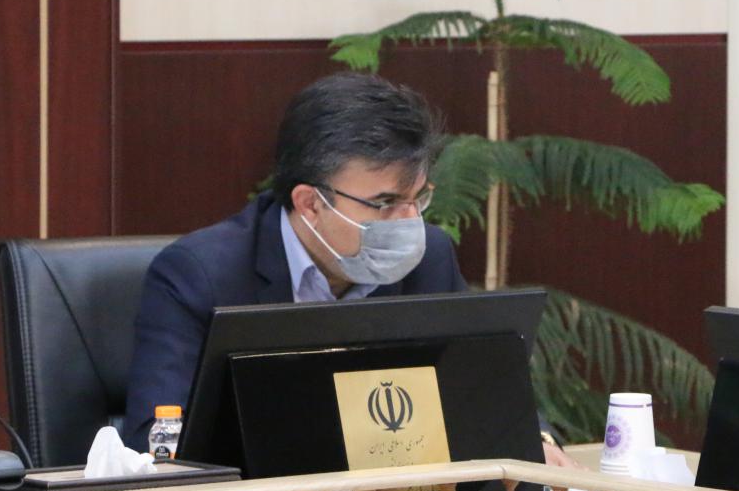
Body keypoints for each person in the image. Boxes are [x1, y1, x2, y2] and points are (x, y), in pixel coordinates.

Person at [124, 72, 573, 467]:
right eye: (385, 203)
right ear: (310, 203)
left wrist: (535, 439)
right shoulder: (198, 276)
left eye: (418, 198)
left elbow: (482, 384)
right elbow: (155, 442)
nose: (409, 222)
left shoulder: (428, 258)